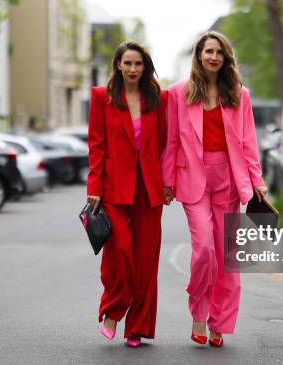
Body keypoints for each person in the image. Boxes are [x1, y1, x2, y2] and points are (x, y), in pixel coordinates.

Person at [162, 31, 267, 348]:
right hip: (193, 178)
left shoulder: (239, 94)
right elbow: (171, 141)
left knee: (226, 257)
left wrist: (257, 180)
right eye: (209, 51)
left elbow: (248, 141)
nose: (214, 57)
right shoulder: (179, 93)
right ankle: (199, 313)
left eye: (219, 52)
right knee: (205, 248)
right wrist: (167, 181)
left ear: (226, 58)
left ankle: (219, 323)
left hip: (229, 179)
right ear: (199, 54)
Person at [87, 41, 167, 348]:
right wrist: (94, 185)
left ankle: (137, 328)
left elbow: (165, 144)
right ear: (118, 65)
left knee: (146, 261)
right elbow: (96, 144)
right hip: (113, 186)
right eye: (127, 63)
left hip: (149, 187)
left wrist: (168, 181)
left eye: (138, 64)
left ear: (145, 67)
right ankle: (113, 309)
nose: (132, 69)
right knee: (119, 252)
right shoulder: (101, 97)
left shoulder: (159, 98)